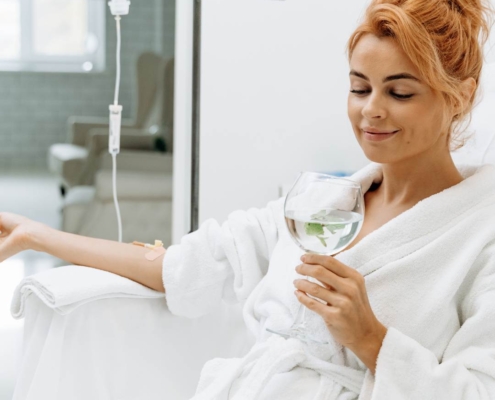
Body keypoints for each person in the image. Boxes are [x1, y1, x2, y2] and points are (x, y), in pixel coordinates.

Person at [2, 0, 495, 398]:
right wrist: (38, 235)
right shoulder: (320, 208)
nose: (371, 110)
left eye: (400, 93)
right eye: (359, 87)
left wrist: (371, 338)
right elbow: (179, 265)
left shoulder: (480, 236)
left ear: (461, 96)